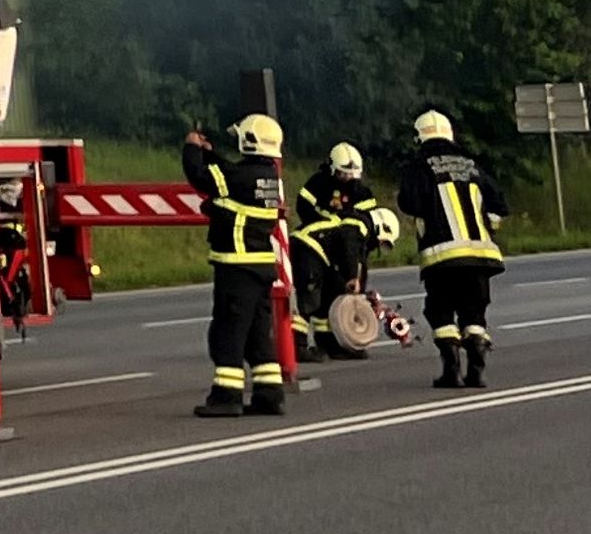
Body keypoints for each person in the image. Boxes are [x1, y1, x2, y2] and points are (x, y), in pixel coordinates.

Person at [184, 111, 291, 416]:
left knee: (228, 331)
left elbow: (201, 176)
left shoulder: (237, 177)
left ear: (249, 141)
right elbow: (229, 173)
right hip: (260, 267)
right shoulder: (269, 177)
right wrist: (210, 153)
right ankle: (269, 393)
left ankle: (226, 396)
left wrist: (191, 148)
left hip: (237, 267)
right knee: (258, 334)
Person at [400, 110, 507, 389]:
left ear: (419, 137)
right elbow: (499, 204)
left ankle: (452, 371)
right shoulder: (471, 164)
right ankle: (477, 371)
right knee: (474, 313)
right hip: (480, 256)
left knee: (441, 312)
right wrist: (489, 226)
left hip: (443, 256)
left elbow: (409, 202)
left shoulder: (420, 165)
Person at [291, 144, 386, 361]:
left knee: (330, 296)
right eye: (343, 174)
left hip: (330, 251)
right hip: (314, 244)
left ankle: (330, 344)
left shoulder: (362, 194)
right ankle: (298, 346)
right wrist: (352, 275)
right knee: (310, 297)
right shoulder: (319, 183)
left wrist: (354, 278)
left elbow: (356, 249)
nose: (348, 178)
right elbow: (304, 207)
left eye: (352, 174)